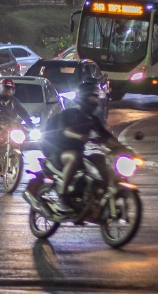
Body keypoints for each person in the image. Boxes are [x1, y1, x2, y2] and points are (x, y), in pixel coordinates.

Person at [42, 82, 124, 214]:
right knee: (75, 157)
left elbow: (106, 136)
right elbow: (66, 131)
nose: (95, 100)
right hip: (58, 152)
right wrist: (80, 136)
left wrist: (123, 148)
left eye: (97, 97)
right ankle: (62, 197)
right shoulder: (69, 114)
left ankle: (98, 196)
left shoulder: (92, 119)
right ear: (84, 97)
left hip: (77, 153)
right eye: (92, 97)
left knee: (99, 158)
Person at [0, 78, 34, 171]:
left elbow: (23, 112)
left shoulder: (14, 101)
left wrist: (30, 124)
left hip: (9, 125)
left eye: (10, 89)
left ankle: (13, 153)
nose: (7, 91)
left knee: (22, 135)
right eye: (5, 89)